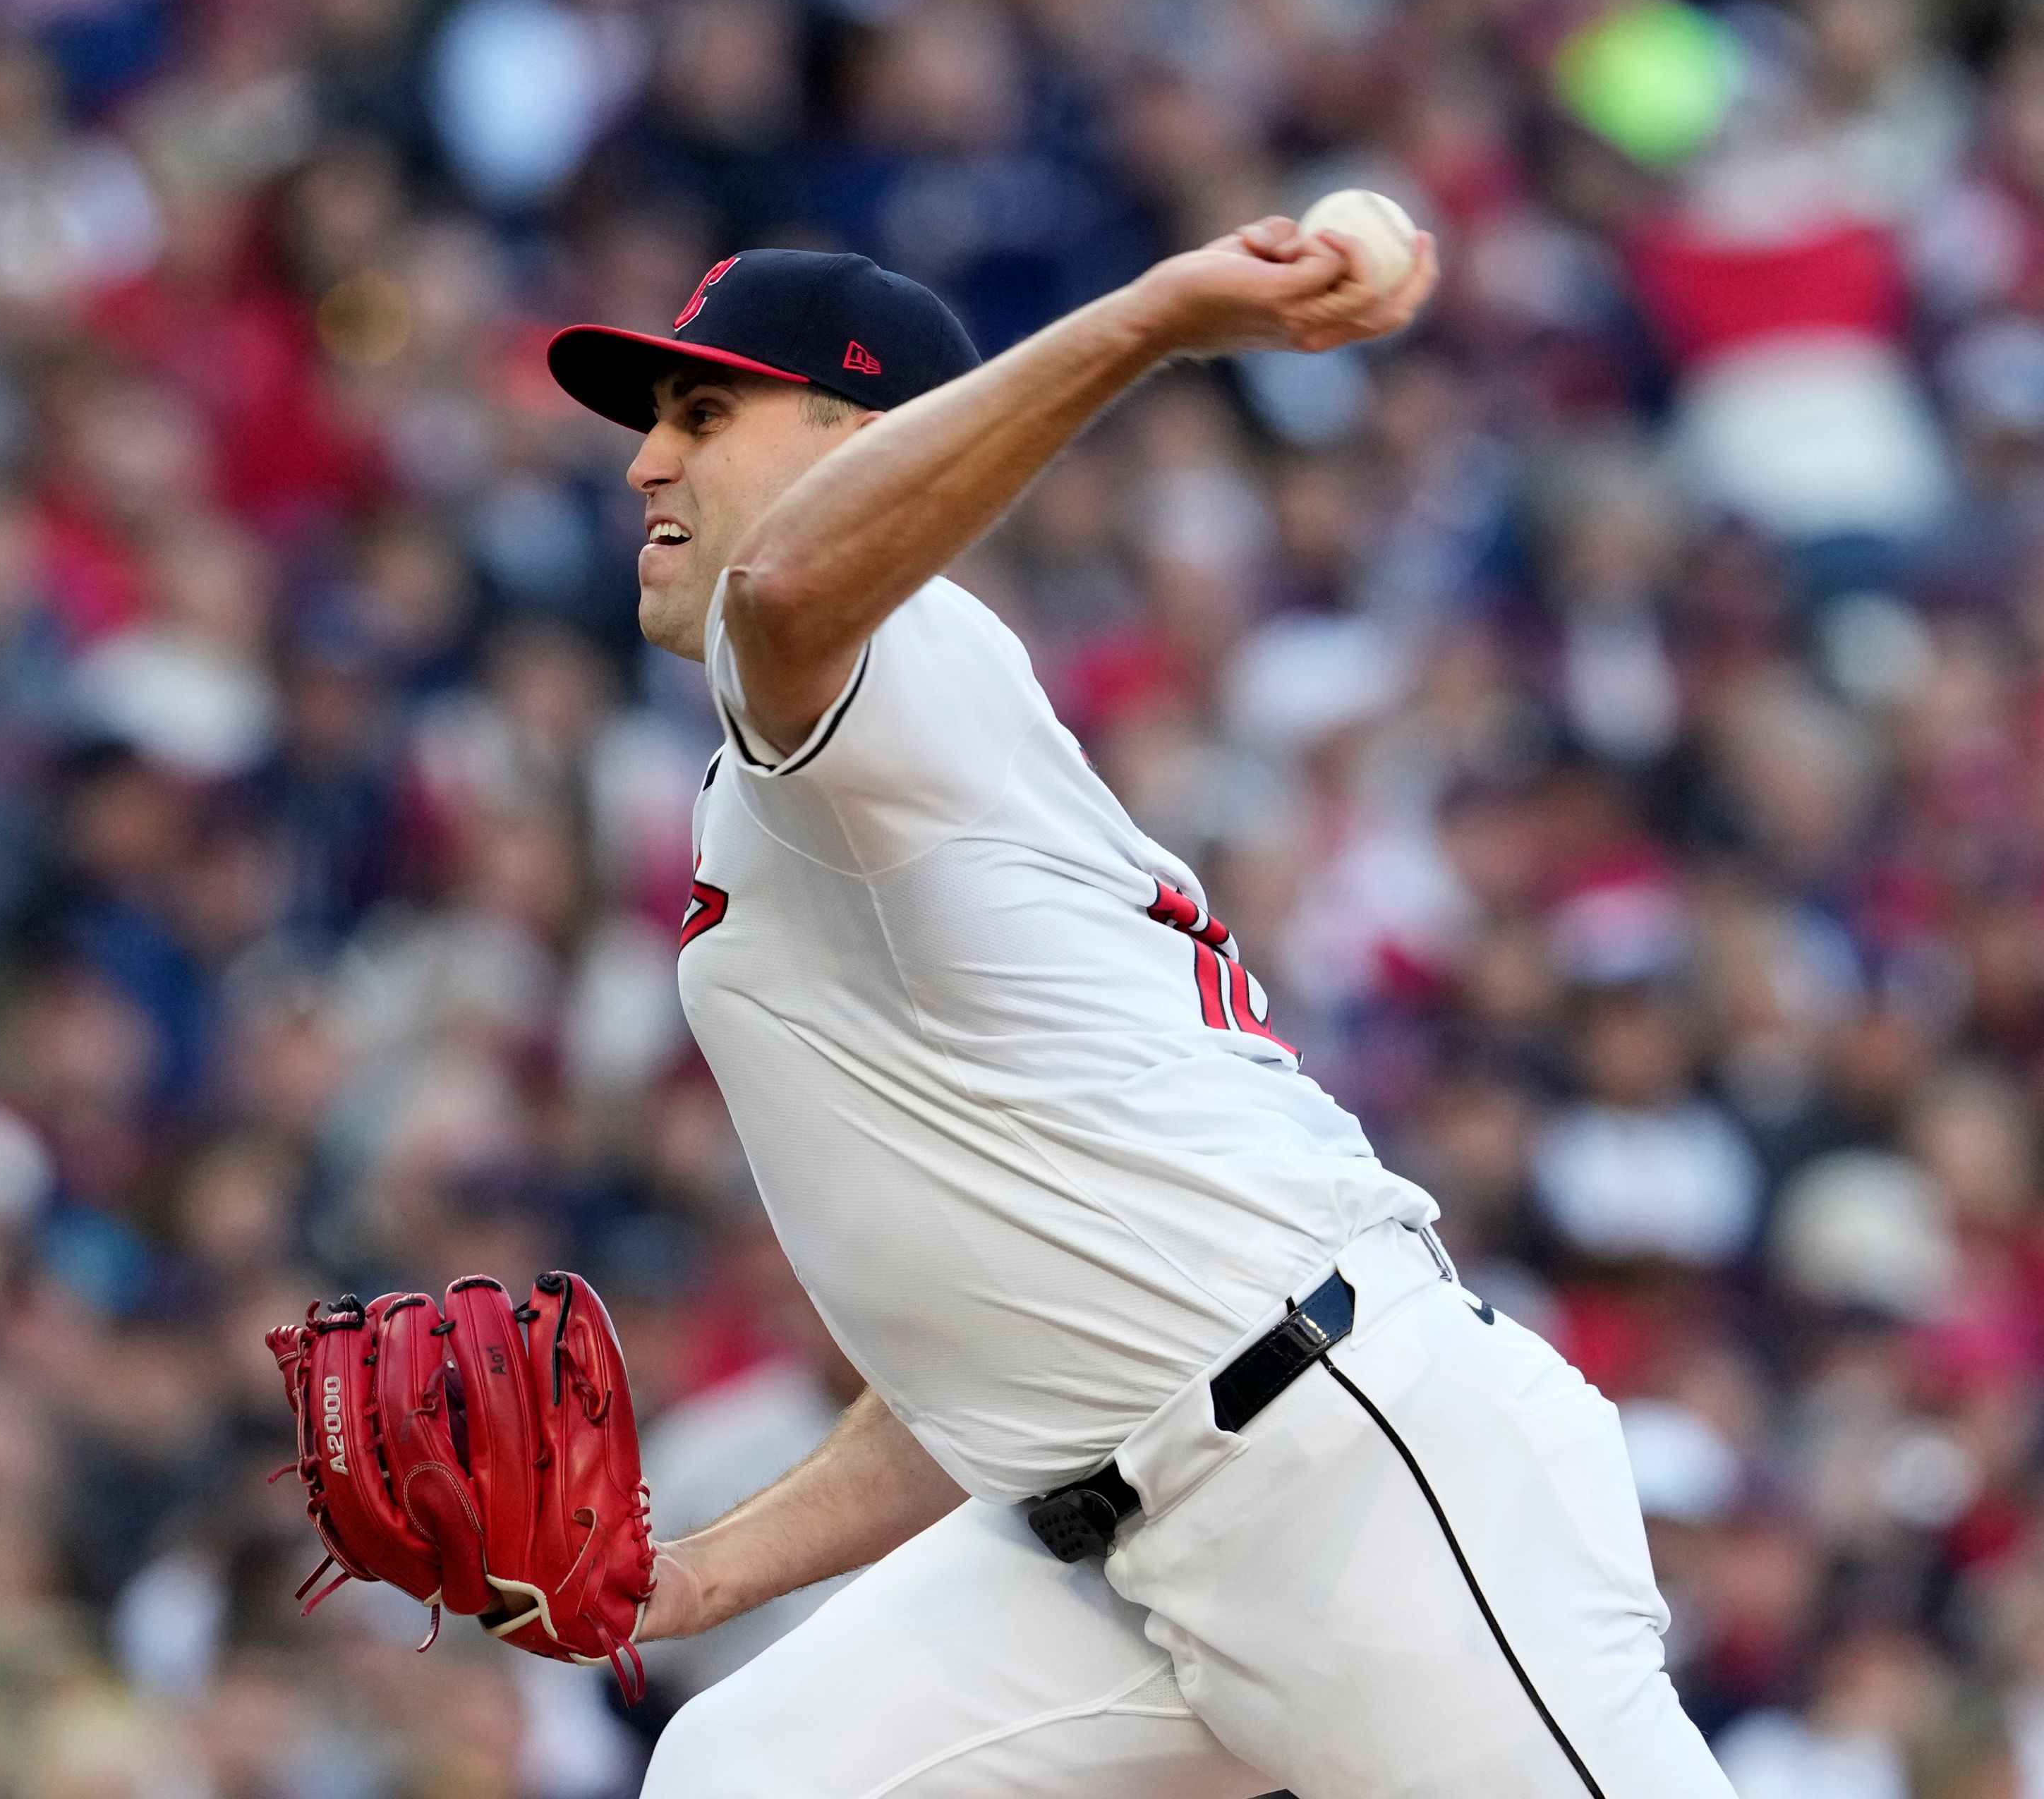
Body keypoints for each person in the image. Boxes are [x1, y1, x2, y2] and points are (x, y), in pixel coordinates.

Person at [544, 229, 1737, 1797]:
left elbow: (785, 583)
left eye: (704, 414)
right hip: (1118, 1520)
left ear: (869, 439)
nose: (644, 462)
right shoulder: (834, 760)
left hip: (1348, 1476)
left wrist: (1160, 315)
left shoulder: (872, 662)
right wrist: (700, 1575)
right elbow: (1003, 1352)